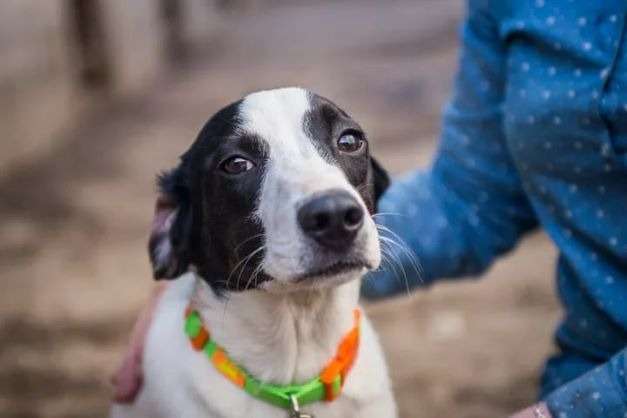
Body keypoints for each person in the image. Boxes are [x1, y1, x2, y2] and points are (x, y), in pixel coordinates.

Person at [113, 1, 627, 416]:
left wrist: (576, 410)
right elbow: (470, 193)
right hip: (579, 363)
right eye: (237, 165)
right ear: (175, 230)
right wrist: (183, 276)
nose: (336, 211)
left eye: (347, 142)